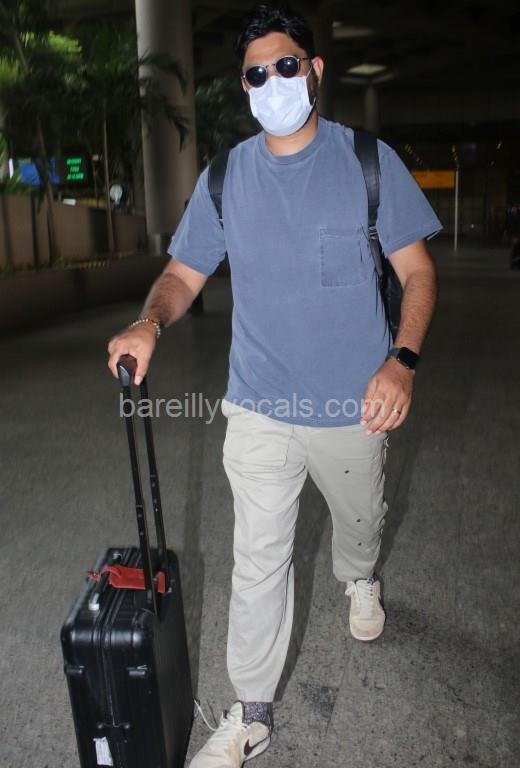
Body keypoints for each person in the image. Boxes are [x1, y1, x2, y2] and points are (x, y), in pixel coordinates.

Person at [108, 4, 442, 766]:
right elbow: (182, 274)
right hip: (260, 403)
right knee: (258, 558)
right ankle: (251, 713)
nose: (272, 82)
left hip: (355, 404)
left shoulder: (367, 162)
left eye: (286, 65)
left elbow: (418, 273)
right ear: (245, 86)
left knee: (360, 523)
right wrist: (148, 323)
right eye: (256, 74)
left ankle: (361, 575)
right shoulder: (226, 178)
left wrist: (402, 360)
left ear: (315, 71)